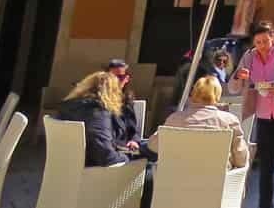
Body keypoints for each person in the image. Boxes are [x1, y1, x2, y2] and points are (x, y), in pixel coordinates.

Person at [228, 20, 274, 208]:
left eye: (265, 41)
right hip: (264, 117)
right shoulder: (249, 56)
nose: (262, 46)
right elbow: (233, 86)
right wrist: (239, 76)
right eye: (258, 42)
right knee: (266, 167)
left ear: (273, 38)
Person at [58, 71, 155, 206]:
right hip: (96, 168)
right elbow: (105, 154)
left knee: (145, 152)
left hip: (72, 166)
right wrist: (126, 157)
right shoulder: (97, 111)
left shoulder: (69, 106)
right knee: (149, 169)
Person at [149, 75, 249, 168]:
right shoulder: (229, 121)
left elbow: (153, 146)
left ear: (194, 94)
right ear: (218, 95)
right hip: (216, 183)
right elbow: (241, 160)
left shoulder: (174, 119)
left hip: (176, 183)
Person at [105, 59, 145, 152]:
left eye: (120, 77)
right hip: (109, 147)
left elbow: (132, 129)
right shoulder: (99, 100)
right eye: (112, 77)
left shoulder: (126, 100)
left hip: (124, 146)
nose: (115, 81)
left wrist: (134, 141)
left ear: (126, 79)